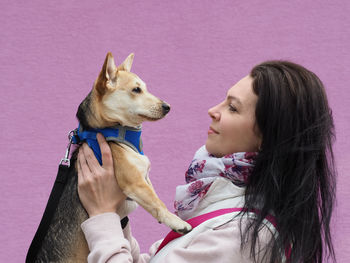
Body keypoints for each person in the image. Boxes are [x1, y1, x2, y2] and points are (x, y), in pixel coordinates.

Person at [77, 61, 337, 263]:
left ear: (269, 137)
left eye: (233, 108)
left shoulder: (248, 236)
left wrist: (102, 216)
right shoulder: (225, 203)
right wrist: (117, 215)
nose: (213, 110)